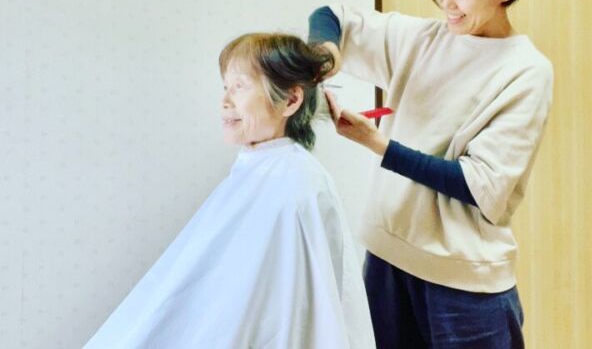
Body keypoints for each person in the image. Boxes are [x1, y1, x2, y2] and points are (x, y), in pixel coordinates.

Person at [308, 0, 553, 348]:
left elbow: (477, 185)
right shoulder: (421, 38)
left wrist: (378, 144)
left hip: (464, 282)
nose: (447, 2)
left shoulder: (526, 71)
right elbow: (331, 16)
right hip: (387, 260)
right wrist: (325, 52)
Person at [84, 33, 375, 349]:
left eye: (240, 86)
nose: (225, 101)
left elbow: (291, 313)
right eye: (225, 86)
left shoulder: (298, 183)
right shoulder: (257, 168)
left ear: (291, 100)